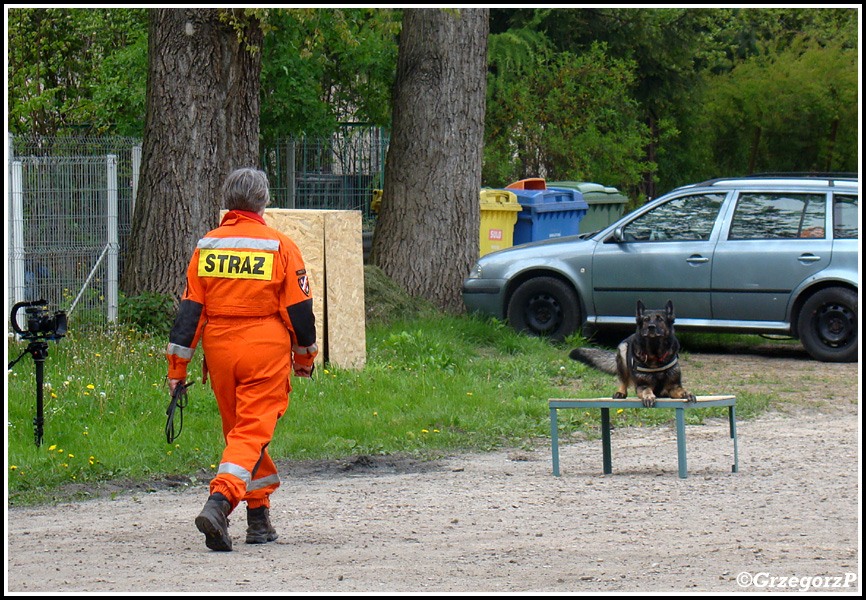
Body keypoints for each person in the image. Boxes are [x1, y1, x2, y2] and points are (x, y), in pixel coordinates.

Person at [166, 167, 317, 551]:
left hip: (219, 349)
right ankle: (220, 501)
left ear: (227, 202)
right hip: (264, 347)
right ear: (263, 202)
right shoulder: (280, 246)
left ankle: (259, 518)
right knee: (252, 432)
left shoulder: (207, 247)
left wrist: (177, 369)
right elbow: (300, 313)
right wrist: (305, 358)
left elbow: (190, 311)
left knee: (242, 434)